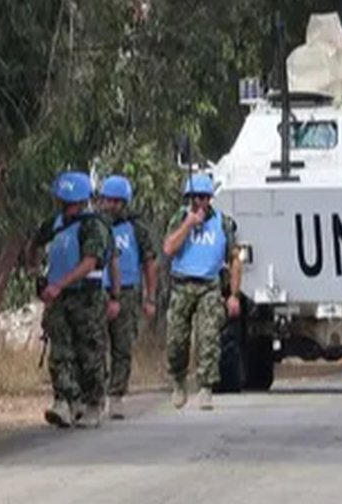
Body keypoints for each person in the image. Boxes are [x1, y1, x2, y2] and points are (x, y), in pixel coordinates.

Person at [27, 171, 112, 429]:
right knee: (60, 352)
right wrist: (36, 272)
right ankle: (64, 401)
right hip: (59, 299)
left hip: (87, 297)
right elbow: (34, 244)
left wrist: (59, 284)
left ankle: (93, 404)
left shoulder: (93, 225)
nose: (68, 208)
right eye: (64, 203)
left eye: (72, 203)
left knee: (89, 352)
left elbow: (89, 262)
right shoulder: (54, 224)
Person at [162, 173, 242, 411]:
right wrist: (188, 224)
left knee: (209, 338)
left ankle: (206, 387)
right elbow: (168, 248)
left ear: (209, 199)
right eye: (194, 197)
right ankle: (178, 381)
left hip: (209, 285)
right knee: (176, 340)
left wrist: (234, 295)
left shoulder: (223, 224)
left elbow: (235, 259)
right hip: (182, 285)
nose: (198, 202)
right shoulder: (179, 218)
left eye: (202, 197)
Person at [97, 175, 158, 420]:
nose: (109, 206)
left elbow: (150, 262)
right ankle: (95, 394)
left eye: (115, 202)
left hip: (128, 293)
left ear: (124, 203)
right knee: (95, 345)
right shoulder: (95, 226)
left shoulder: (136, 228)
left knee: (122, 347)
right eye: (106, 200)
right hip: (97, 292)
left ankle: (116, 396)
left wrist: (150, 297)